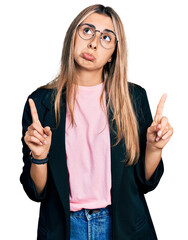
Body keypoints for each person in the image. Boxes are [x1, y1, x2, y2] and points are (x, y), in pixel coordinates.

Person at [20, 4, 173, 240]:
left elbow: (145, 182)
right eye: (87, 31)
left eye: (106, 37)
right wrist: (40, 157)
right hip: (65, 230)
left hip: (123, 227)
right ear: (73, 36)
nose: (93, 43)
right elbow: (37, 192)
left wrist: (154, 148)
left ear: (114, 53)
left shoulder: (133, 99)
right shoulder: (40, 103)